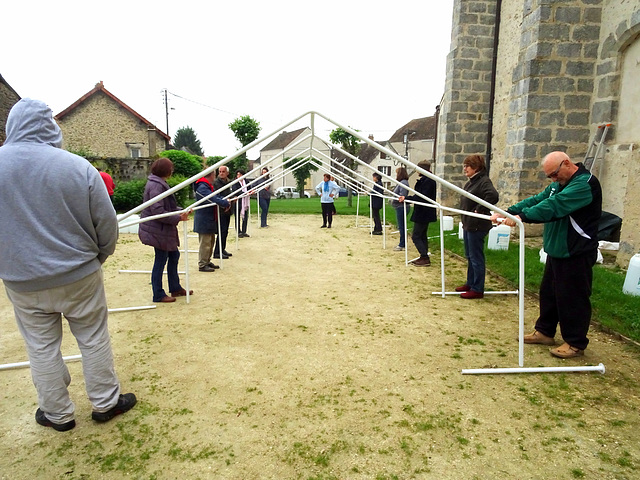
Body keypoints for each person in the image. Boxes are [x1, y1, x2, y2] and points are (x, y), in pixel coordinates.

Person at [0, 98, 136, 432]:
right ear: (49, 125)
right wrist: (99, 256)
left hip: (21, 279)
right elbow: (107, 223)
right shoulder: (77, 167)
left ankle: (57, 414)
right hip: (79, 272)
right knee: (93, 337)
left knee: (40, 347)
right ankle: (105, 402)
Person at [491, 151, 602, 358]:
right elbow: (537, 200)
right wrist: (507, 212)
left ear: (566, 164)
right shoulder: (557, 185)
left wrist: (521, 218)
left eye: (554, 174)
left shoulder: (584, 184)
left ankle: (575, 342)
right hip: (557, 249)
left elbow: (554, 206)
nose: (552, 179)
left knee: (573, 297)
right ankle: (545, 331)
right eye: (549, 176)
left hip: (576, 250)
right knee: (549, 293)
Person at [138, 158, 193, 303]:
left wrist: (182, 211)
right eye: (171, 168)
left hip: (161, 229)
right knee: (160, 260)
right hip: (157, 229)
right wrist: (178, 218)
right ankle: (158, 294)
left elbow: (168, 208)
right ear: (165, 170)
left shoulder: (159, 182)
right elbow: (158, 211)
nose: (172, 171)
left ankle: (175, 287)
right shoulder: (156, 185)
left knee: (174, 255)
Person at [457, 154, 499, 299]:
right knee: (469, 256)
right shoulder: (471, 182)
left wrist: (479, 208)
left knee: (476, 257)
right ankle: (470, 283)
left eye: (467, 166)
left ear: (475, 167)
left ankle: (477, 288)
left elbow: (493, 196)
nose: (465, 169)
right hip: (468, 224)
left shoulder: (483, 181)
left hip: (477, 225)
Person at [399, 160, 437, 266]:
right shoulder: (426, 180)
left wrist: (407, 198)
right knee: (422, 235)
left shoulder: (428, 181)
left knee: (416, 235)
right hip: (423, 211)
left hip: (424, 212)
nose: (416, 171)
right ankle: (424, 256)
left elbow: (421, 197)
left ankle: (424, 256)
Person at [193, 169, 229, 272]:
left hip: (209, 218)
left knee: (211, 241)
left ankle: (207, 261)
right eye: (214, 174)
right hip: (204, 218)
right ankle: (202, 264)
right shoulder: (202, 187)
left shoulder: (207, 186)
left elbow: (216, 196)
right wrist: (224, 203)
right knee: (205, 243)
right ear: (211, 175)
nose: (215, 176)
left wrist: (224, 200)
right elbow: (213, 198)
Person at [213, 165, 235, 259]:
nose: (221, 173)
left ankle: (222, 249)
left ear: (227, 173)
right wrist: (224, 204)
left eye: (223, 171)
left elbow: (232, 193)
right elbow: (216, 196)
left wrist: (233, 199)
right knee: (221, 231)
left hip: (228, 210)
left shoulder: (229, 183)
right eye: (220, 171)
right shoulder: (216, 183)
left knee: (225, 231)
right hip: (220, 210)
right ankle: (217, 252)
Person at [391, 167, 411, 251]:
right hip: (399, 207)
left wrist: (395, 198)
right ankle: (402, 243)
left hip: (402, 207)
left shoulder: (403, 183)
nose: (396, 175)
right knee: (401, 226)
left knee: (401, 226)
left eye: (397, 173)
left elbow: (402, 196)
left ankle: (402, 244)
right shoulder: (401, 183)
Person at [232, 169, 250, 237]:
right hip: (238, 202)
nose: (238, 176)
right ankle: (238, 232)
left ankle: (244, 231)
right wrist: (244, 193)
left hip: (245, 201)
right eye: (237, 174)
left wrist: (249, 192)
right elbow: (235, 191)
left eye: (240, 174)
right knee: (237, 217)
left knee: (245, 217)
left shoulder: (246, 181)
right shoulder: (235, 182)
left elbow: (249, 188)